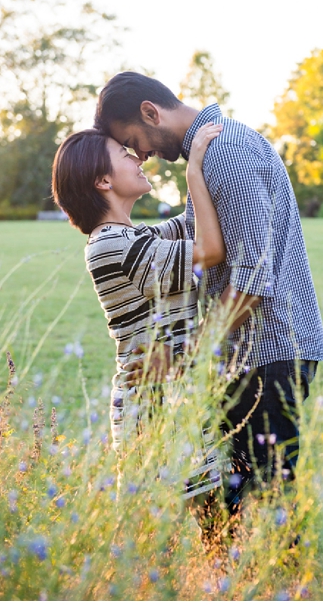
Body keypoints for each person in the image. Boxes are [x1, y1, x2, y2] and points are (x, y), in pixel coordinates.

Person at [92, 71, 323, 515]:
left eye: (134, 140)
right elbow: (201, 244)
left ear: (150, 112)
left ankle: (284, 587)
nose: (141, 154)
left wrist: (186, 356)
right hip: (243, 355)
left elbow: (252, 282)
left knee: (265, 513)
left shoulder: (226, 151)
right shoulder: (208, 154)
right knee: (235, 514)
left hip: (269, 351)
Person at [52, 124, 226, 501]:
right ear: (102, 180)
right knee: (150, 544)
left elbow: (191, 224)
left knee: (213, 532)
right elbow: (209, 249)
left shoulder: (135, 238)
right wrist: (192, 170)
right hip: (152, 408)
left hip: (174, 399)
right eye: (124, 154)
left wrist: (206, 160)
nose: (137, 157)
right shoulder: (113, 245)